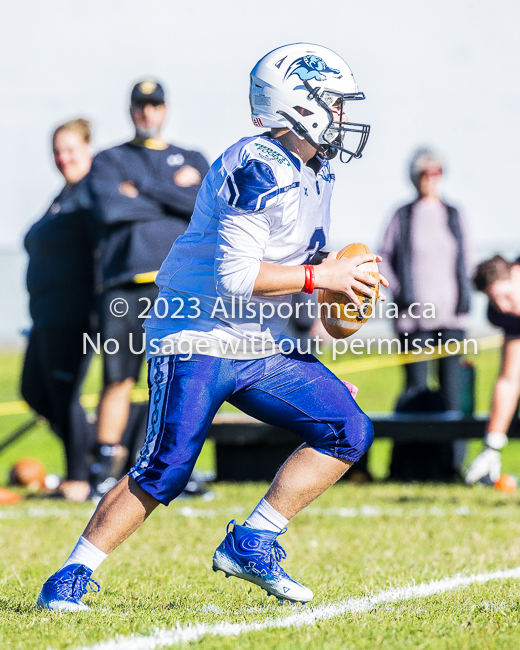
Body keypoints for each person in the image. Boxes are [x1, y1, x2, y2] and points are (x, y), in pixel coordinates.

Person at [37, 43, 387, 611]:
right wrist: (323, 276)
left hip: (259, 341)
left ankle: (254, 539)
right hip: (196, 331)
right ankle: (72, 574)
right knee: (168, 466)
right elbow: (237, 275)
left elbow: (300, 275)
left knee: (347, 427)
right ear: (299, 104)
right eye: (335, 102)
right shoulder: (256, 166)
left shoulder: (315, 171)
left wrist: (334, 298)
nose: (345, 115)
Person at [88, 80, 210, 493]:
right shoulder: (109, 159)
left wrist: (142, 188)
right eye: (141, 106)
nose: (147, 113)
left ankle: (179, 469)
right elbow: (110, 207)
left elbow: (203, 208)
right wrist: (175, 192)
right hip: (124, 288)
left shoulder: (193, 157)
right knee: (118, 379)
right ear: (130, 110)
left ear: (165, 109)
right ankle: (106, 470)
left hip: (178, 290)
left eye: (154, 105)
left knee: (181, 379)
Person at [378, 148, 474, 479]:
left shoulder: (454, 214)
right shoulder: (402, 215)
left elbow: (467, 261)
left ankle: (451, 466)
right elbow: (384, 259)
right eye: (424, 173)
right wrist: (401, 291)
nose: (430, 179)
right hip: (413, 320)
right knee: (416, 394)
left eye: (436, 172)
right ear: (414, 177)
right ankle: (410, 466)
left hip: (452, 321)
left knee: (451, 395)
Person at [22, 118, 97, 502]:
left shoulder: (91, 194)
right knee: (34, 393)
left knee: (65, 395)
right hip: (45, 315)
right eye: (57, 150)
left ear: (88, 148)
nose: (62, 157)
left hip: (74, 313)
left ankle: (79, 479)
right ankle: (96, 444)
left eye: (70, 149)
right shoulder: (61, 195)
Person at [465, 255, 520, 485]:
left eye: (506, 296)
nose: (504, 307)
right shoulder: (505, 315)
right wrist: (492, 445)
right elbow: (509, 379)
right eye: (495, 301)